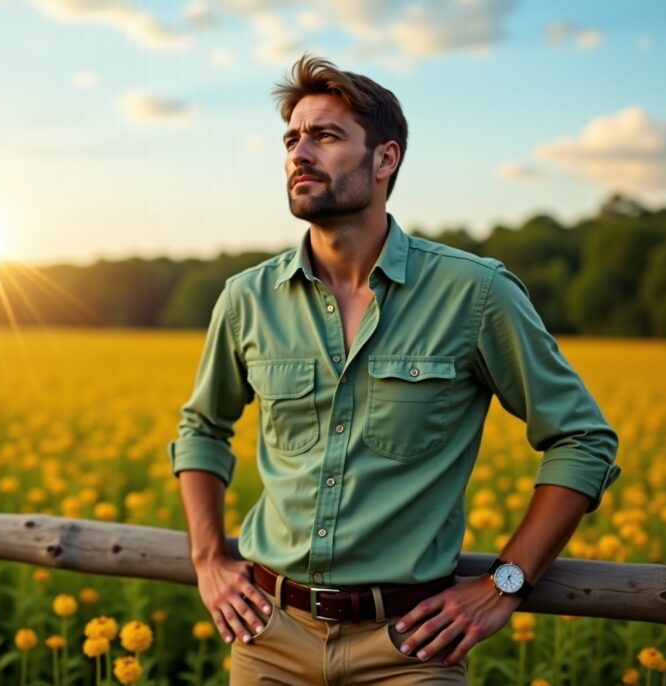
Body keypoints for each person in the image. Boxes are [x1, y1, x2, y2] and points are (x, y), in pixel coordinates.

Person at [169, 54, 620, 685]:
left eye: (325, 136)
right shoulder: (247, 299)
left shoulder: (475, 293)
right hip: (268, 637)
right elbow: (201, 428)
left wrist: (505, 583)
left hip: (410, 649)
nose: (300, 154)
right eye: (291, 140)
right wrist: (206, 556)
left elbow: (581, 438)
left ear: (386, 159)